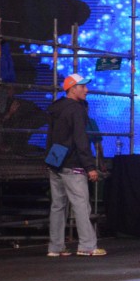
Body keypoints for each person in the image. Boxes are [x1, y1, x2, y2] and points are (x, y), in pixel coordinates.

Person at [46, 73, 105, 257]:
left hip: (55, 160)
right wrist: (90, 167)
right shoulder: (76, 110)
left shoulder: (56, 108)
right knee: (81, 205)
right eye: (83, 87)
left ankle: (55, 247)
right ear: (72, 89)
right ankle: (87, 246)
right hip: (73, 163)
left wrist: (49, 159)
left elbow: (50, 137)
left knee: (58, 206)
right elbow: (81, 139)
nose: (86, 90)